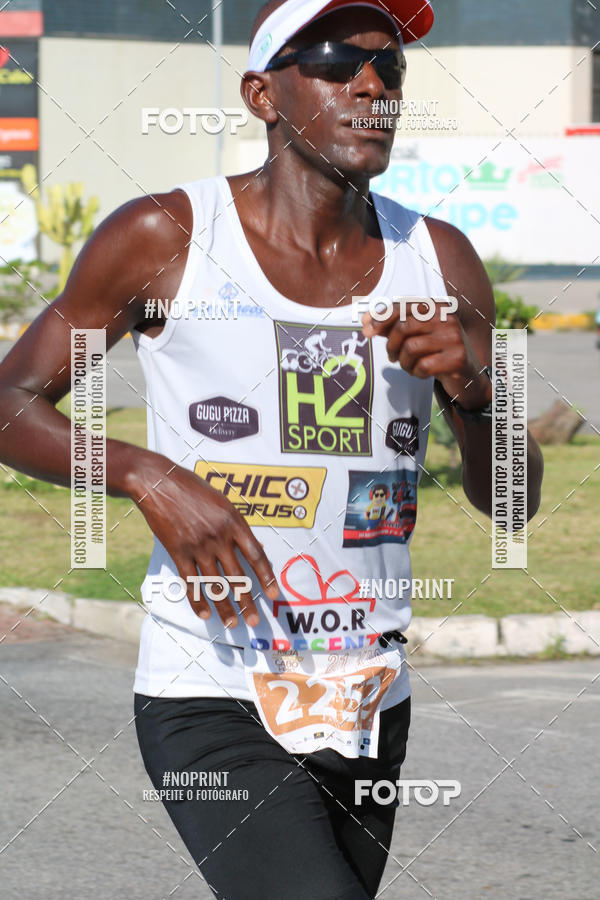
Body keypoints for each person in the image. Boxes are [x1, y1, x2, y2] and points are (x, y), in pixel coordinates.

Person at [0, 0, 544, 897]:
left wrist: (478, 392)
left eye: (391, 69)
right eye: (338, 62)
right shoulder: (166, 237)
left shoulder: (439, 259)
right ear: (263, 93)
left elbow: (515, 505)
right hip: (210, 686)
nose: (373, 85)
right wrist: (146, 472)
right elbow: (11, 401)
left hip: (368, 701)